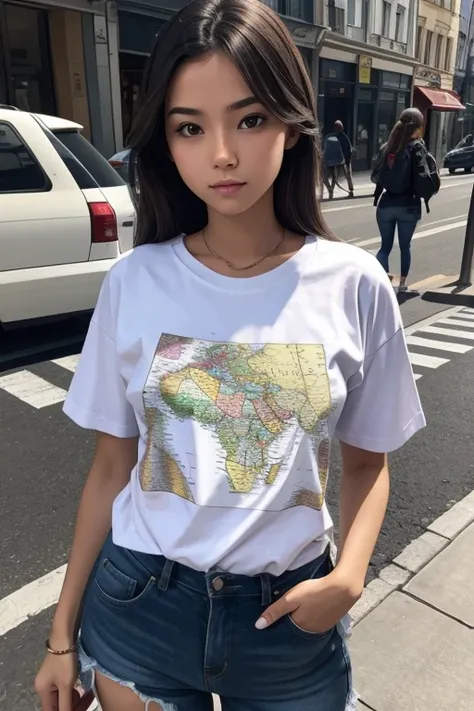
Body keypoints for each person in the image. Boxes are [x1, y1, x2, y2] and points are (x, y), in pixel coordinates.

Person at [34, 2, 426, 710]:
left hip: (288, 619)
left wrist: (351, 576)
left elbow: (369, 463)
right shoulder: (134, 280)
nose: (221, 153)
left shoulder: (353, 283)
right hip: (143, 604)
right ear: (166, 140)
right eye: (190, 127)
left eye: (248, 120)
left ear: (289, 120)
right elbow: (109, 470)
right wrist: (62, 636)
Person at [371, 107, 439, 293]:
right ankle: (402, 286)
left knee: (384, 247)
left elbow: (375, 176)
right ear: (417, 127)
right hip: (409, 205)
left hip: (385, 205)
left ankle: (383, 283)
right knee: (404, 246)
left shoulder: (387, 147)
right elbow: (423, 178)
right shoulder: (417, 146)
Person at [322, 121, 354, 199]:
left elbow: (349, 149)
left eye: (339, 128)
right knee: (329, 176)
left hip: (343, 160)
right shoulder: (331, 137)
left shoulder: (344, 138)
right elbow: (325, 148)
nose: (337, 129)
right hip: (332, 160)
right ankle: (330, 190)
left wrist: (347, 160)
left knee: (347, 175)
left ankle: (351, 190)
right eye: (336, 127)